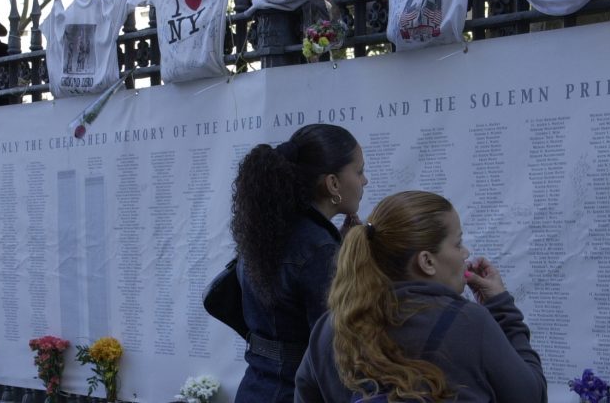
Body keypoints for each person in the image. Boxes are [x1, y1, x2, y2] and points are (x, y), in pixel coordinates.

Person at [295, 190, 547, 403]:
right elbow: (531, 396)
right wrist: (501, 307)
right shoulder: (470, 324)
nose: (465, 253)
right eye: (457, 243)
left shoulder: (332, 328)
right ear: (427, 261)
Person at [232, 123, 368, 403]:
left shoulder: (269, 230)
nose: (364, 181)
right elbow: (333, 349)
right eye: (359, 171)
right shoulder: (318, 248)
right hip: (293, 392)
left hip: (256, 388)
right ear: (332, 183)